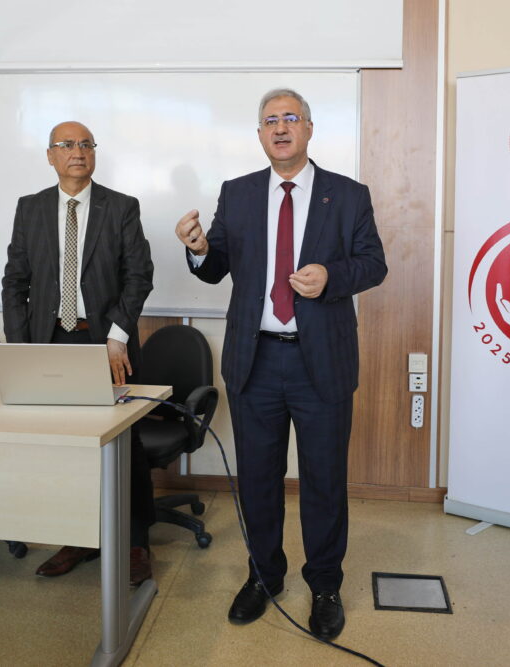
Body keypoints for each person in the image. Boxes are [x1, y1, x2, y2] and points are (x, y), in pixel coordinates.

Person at [175, 89, 387, 639]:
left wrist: (331, 277)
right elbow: (216, 267)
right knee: (258, 480)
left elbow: (373, 264)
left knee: (323, 481)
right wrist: (198, 248)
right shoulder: (239, 193)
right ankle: (264, 577)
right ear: (260, 135)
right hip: (256, 360)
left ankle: (325, 585)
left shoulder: (348, 195)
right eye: (270, 120)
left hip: (322, 363)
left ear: (309, 128)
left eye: (291, 118)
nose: (281, 127)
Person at [2, 121, 155, 586]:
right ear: (50, 155)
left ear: (95, 153)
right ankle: (78, 537)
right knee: (65, 446)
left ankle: (135, 543)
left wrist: (117, 336)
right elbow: (15, 282)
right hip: (48, 343)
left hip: (105, 343)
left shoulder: (121, 207)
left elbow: (139, 277)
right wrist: (22, 349)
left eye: (86, 144)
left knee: (125, 442)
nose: (78, 151)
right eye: (66, 145)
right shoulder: (30, 208)